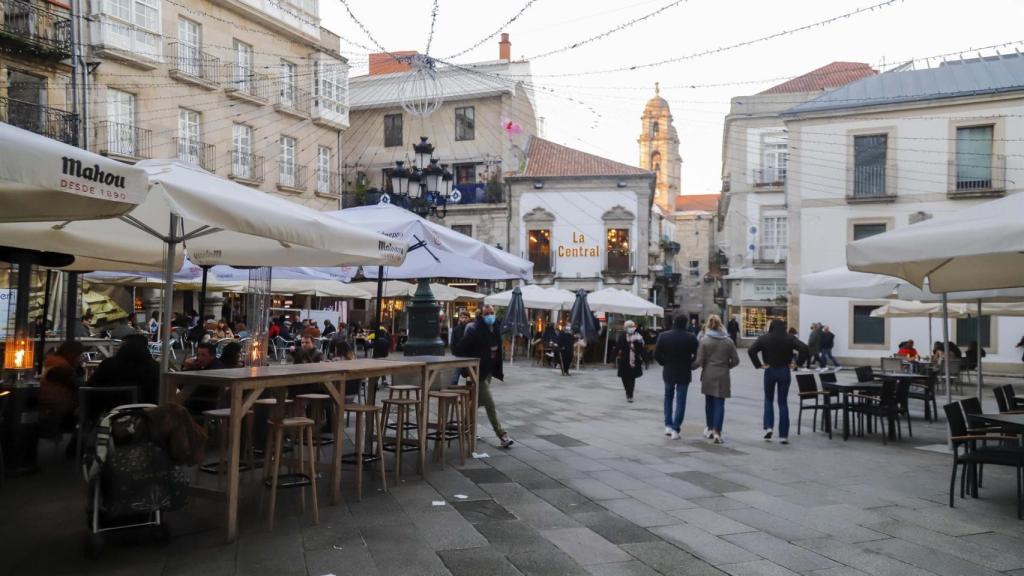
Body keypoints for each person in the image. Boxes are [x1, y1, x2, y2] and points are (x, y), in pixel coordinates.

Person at [455, 304, 514, 448]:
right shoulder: (475, 331)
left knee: (477, 402)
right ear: (481, 316)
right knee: (489, 403)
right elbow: (459, 349)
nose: (490, 316)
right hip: (477, 373)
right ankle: (502, 435)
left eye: (492, 313)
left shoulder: (495, 330)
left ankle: (462, 428)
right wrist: (471, 363)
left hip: (487, 372)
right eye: (487, 314)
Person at [748, 319, 809, 444]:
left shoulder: (764, 338)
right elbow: (804, 348)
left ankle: (769, 427)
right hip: (784, 371)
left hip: (770, 370)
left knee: (768, 399)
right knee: (782, 402)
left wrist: (759, 365)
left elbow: (751, 350)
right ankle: (783, 435)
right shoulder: (789, 338)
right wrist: (797, 363)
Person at [693, 315, 739, 444]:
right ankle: (718, 432)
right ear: (721, 325)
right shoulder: (728, 341)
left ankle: (710, 428)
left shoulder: (705, 340)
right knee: (720, 403)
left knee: (709, 403)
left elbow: (699, 361)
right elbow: (736, 360)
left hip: (708, 373)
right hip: (723, 374)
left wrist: (690, 367)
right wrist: (727, 366)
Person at [655, 314, 700, 439]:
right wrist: (691, 364)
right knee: (681, 400)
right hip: (684, 372)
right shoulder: (691, 337)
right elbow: (698, 354)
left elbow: (657, 354)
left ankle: (668, 425)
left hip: (669, 371)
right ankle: (676, 428)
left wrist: (664, 363)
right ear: (686, 323)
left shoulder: (664, 336)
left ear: (674, 322)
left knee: (668, 397)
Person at [89, 334, 160, 404]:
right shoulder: (156, 367)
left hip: (113, 409)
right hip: (147, 410)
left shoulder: (109, 364)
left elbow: (91, 387)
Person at [615, 320, 646, 403]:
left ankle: (630, 395)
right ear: (625, 328)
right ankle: (627, 391)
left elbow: (642, 349)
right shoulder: (622, 336)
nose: (630, 328)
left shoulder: (638, 337)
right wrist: (612, 358)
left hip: (634, 361)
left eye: (631, 326)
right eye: (628, 327)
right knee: (624, 377)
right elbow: (617, 347)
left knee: (631, 378)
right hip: (624, 360)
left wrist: (645, 358)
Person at [449, 311, 472, 385]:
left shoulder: (472, 329)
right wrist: (455, 352)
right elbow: (453, 343)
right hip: (459, 357)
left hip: (470, 357)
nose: (464, 319)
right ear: (459, 318)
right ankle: (453, 393)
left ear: (469, 318)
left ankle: (469, 394)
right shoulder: (456, 329)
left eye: (466, 317)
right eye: (462, 317)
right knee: (453, 380)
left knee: (470, 379)